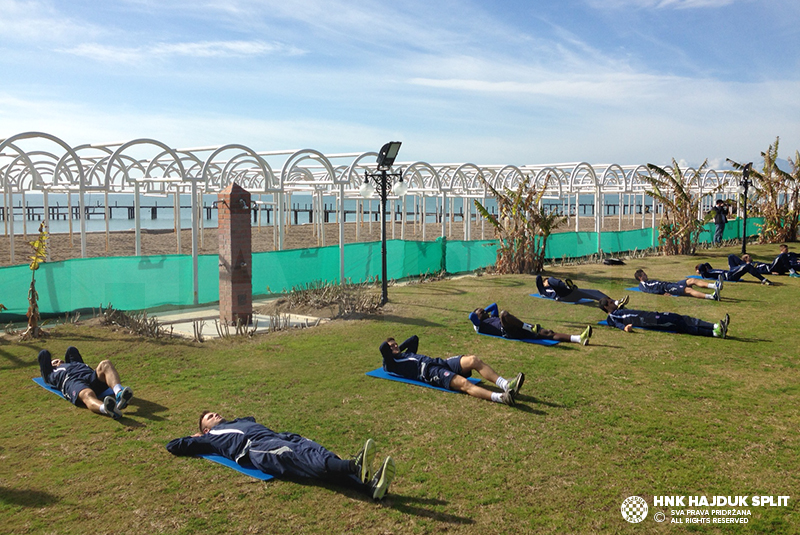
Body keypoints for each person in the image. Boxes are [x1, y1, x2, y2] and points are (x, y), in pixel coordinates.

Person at [167, 413, 396, 500]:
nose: (215, 414)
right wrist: (194, 437)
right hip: (257, 448)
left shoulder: (236, 422)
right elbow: (173, 446)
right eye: (209, 416)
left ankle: (369, 488)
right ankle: (354, 466)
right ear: (205, 429)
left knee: (318, 452)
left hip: (281, 436)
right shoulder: (210, 437)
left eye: (214, 412)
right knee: (303, 458)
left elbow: (250, 417)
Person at [380, 335, 525, 406]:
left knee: (473, 360)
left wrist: (399, 347)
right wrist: (392, 350)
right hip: (430, 373)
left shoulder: (405, 353)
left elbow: (414, 339)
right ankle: (501, 398)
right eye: (391, 347)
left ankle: (506, 384)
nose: (395, 347)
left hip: (439, 362)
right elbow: (382, 347)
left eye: (396, 344)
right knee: (464, 383)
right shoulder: (392, 364)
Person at [37, 346, 133, 419]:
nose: (59, 361)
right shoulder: (52, 374)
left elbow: (72, 350)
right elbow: (43, 355)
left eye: (59, 360)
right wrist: (51, 363)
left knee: (105, 364)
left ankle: (119, 393)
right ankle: (106, 409)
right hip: (72, 381)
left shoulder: (76, 363)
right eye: (55, 362)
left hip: (89, 376)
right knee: (87, 394)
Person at [599, 298, 730, 338]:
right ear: (606, 307)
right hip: (649, 321)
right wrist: (625, 328)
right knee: (680, 324)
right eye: (610, 303)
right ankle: (714, 333)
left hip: (651, 314)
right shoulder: (611, 317)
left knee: (682, 317)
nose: (613, 303)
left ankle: (715, 326)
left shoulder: (620, 310)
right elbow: (617, 324)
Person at [470, 303, 593, 345]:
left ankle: (579, 338)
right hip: (507, 331)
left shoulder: (492, 316)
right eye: (482, 312)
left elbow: (494, 305)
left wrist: (483, 311)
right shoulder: (480, 326)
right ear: (478, 317)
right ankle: (529, 328)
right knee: (504, 314)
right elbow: (471, 316)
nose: (485, 311)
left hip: (515, 326)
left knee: (548, 333)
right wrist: (478, 314)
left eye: (485, 310)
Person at [535, 275, 630, 308]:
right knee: (551, 279)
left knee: (594, 292)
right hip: (561, 296)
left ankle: (616, 302)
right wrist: (546, 281)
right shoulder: (544, 291)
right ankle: (568, 287)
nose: (546, 282)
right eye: (545, 281)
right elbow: (538, 279)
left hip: (572, 294)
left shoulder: (553, 284)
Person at [634, 269, 722, 300]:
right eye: (644, 274)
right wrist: (662, 293)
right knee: (689, 290)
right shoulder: (642, 285)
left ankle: (714, 286)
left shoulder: (649, 281)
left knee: (692, 280)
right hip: (667, 288)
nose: (646, 275)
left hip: (670, 284)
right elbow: (650, 291)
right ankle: (712, 296)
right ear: (640, 278)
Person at [695, 257, 773, 285]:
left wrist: (703, 267)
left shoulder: (709, 270)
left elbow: (706, 264)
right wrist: (698, 270)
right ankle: (763, 280)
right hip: (730, 276)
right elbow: (702, 265)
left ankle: (747, 265)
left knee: (731, 256)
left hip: (730, 272)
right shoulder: (706, 274)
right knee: (747, 266)